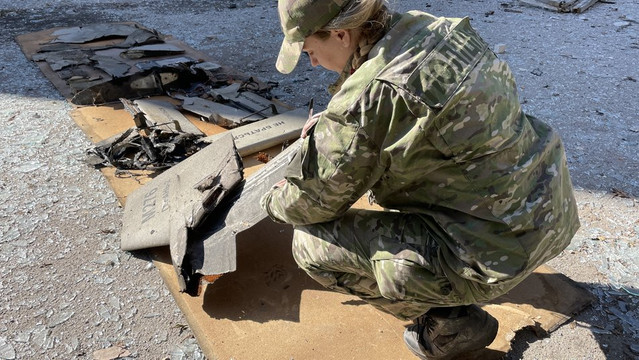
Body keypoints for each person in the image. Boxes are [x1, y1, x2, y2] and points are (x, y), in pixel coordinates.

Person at [260, 0, 581, 359]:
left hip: (495, 253)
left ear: (340, 33)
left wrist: (272, 200)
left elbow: (312, 204)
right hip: (550, 206)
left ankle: (451, 325)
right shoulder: (432, 28)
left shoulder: (365, 98)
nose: (314, 63)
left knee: (310, 245)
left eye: (310, 51)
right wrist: (339, 132)